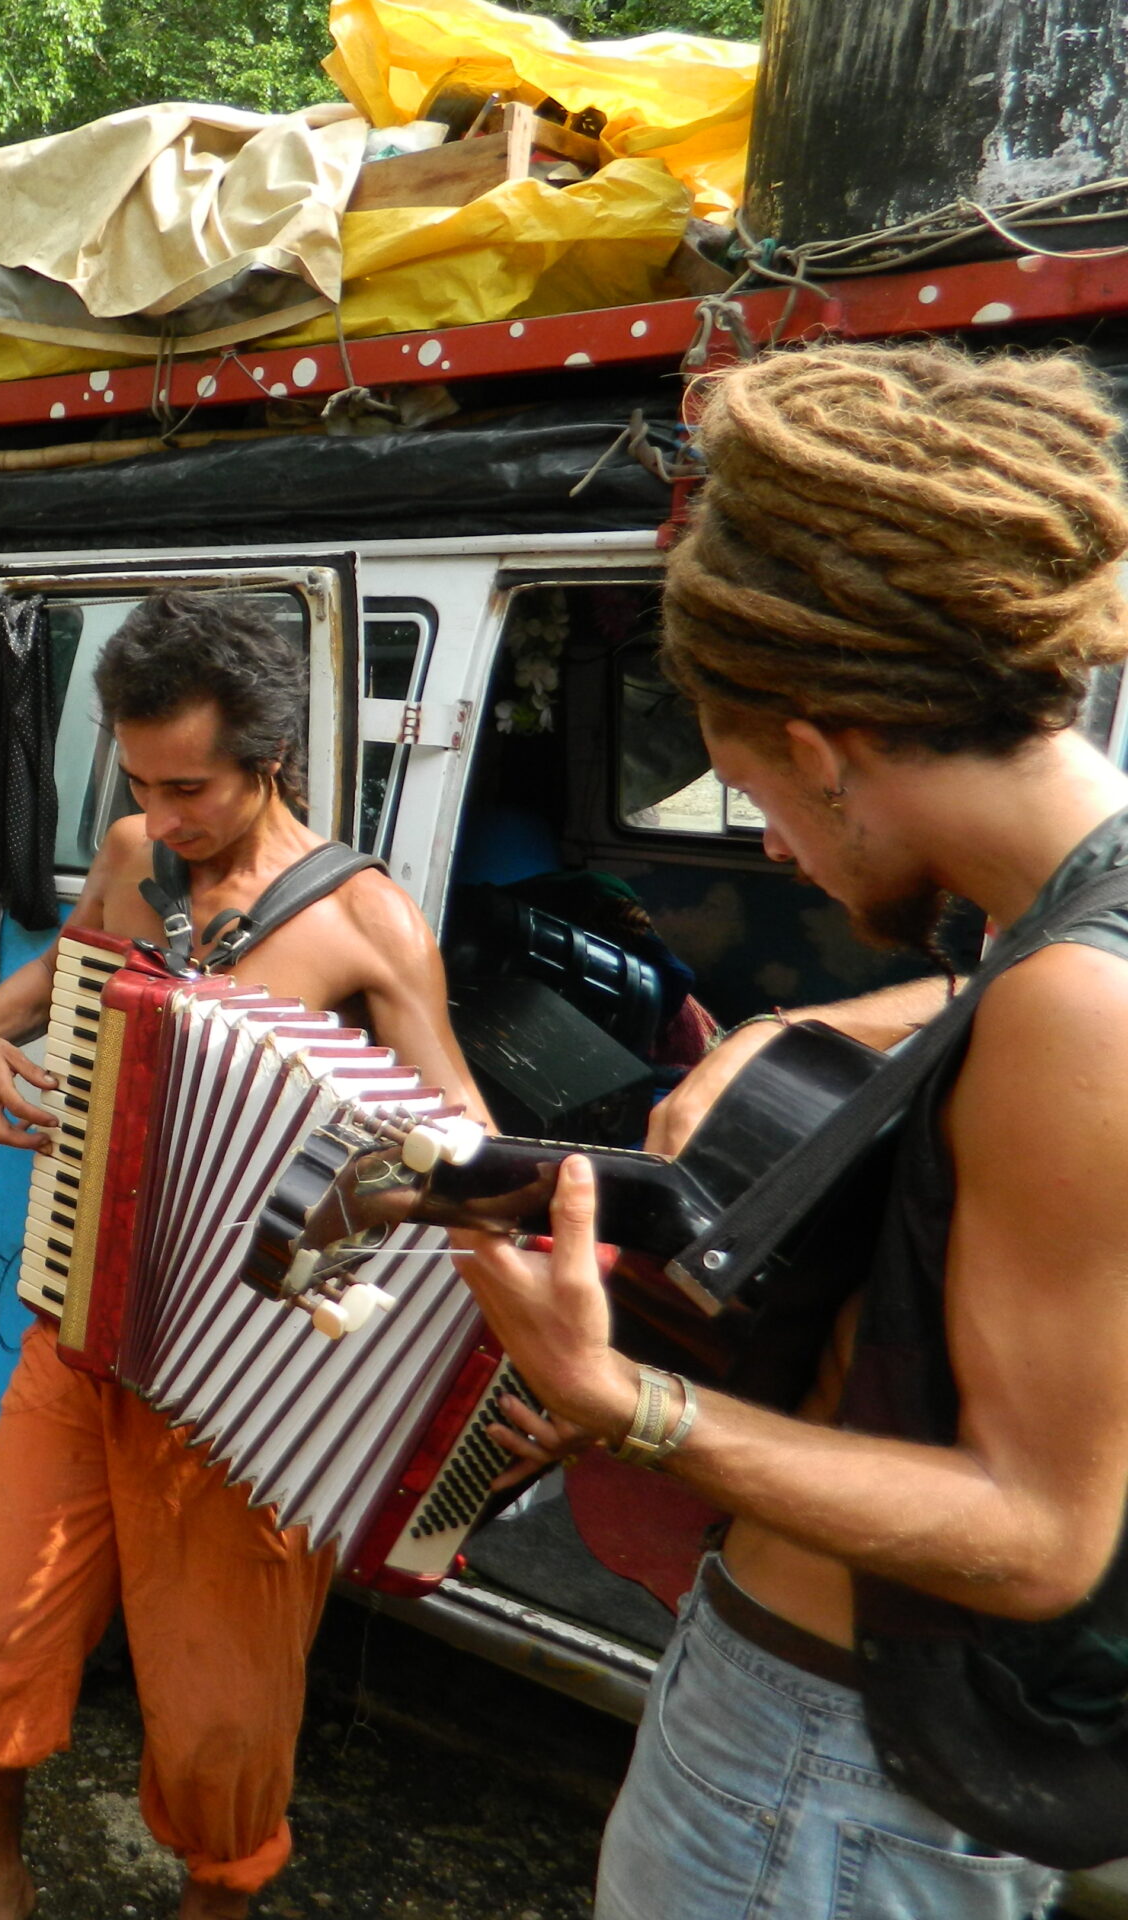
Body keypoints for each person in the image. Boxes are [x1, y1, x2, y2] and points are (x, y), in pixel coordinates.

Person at [455, 345, 1128, 1920]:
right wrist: (787, 1024)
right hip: (867, 1767)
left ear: (825, 742)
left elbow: (1040, 1535)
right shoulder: (1066, 925)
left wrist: (618, 1401)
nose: (765, 834)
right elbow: (998, 999)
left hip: (826, 1784)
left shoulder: (1077, 1008)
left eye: (755, 781)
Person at [0, 588, 489, 1920]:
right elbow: (63, 978)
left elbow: (464, 1152)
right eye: (140, 784)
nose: (164, 819)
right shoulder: (133, 860)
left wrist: (336, 1240)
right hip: (82, 1333)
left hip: (244, 1399)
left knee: (223, 1734)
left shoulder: (367, 929)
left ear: (269, 757)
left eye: (193, 790)